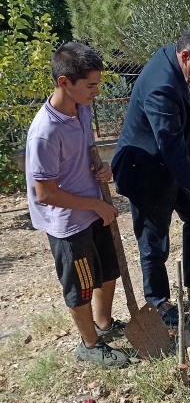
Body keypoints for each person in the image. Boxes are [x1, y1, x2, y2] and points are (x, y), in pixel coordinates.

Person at [112, 23, 190, 326]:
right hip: (145, 169)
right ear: (186, 55)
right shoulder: (161, 86)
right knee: (154, 239)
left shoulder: (180, 64)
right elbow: (171, 153)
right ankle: (157, 302)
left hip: (170, 161)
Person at [25, 43, 129, 367]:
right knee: (82, 286)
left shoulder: (81, 110)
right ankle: (89, 345)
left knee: (109, 271)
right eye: (90, 85)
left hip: (94, 208)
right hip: (67, 225)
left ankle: (104, 325)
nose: (96, 92)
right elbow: (44, 193)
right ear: (64, 83)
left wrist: (101, 170)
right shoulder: (44, 132)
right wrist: (94, 206)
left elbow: (83, 154)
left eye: (97, 84)